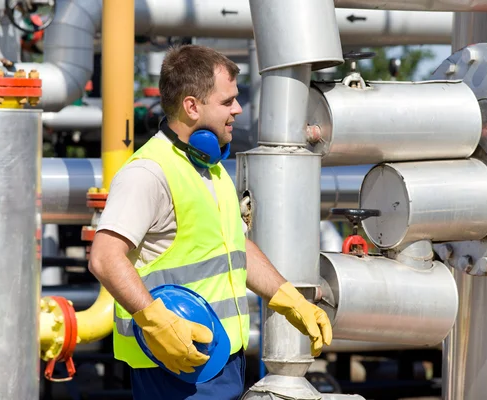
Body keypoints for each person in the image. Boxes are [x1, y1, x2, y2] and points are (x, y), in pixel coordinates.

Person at [89, 44, 332, 400]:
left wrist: (288, 298)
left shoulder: (210, 168)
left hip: (219, 362)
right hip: (174, 365)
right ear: (191, 106)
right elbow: (105, 257)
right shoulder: (148, 172)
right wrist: (155, 321)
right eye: (226, 101)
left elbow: (235, 247)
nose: (237, 108)